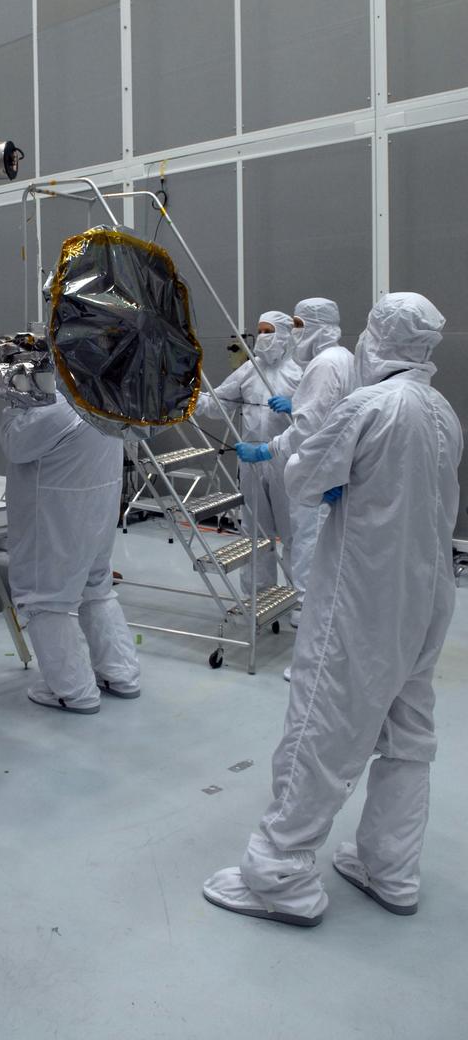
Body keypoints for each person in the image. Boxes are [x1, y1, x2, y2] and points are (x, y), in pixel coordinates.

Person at [203, 293, 462, 926]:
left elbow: (303, 478)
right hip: (427, 598)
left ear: (378, 337)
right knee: (407, 734)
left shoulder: (370, 405)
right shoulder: (441, 410)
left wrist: (302, 462)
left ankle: (279, 875)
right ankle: (390, 867)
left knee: (321, 723)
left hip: (363, 594)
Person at [0, 391, 140, 713]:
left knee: (44, 599)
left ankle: (72, 691)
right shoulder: (108, 398)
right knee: (96, 588)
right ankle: (120, 673)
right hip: (97, 510)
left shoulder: (58, 408)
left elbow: (14, 444)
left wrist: (14, 405)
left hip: (57, 514)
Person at [236, 298, 355, 649]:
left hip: (302, 464)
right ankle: (274, 600)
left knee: (304, 542)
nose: (295, 332)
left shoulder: (322, 366)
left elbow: (308, 427)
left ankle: (308, 624)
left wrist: (266, 448)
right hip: (315, 468)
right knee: (278, 535)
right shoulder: (343, 359)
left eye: (298, 325)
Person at [195, 311, 301, 592]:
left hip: (287, 460)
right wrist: (188, 398)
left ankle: (300, 598)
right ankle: (259, 592)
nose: (263, 337)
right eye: (260, 331)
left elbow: (317, 417)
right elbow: (219, 404)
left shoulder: (301, 371)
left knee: (294, 532)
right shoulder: (249, 370)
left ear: (285, 335)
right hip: (252, 461)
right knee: (255, 530)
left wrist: (296, 406)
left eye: (269, 331)